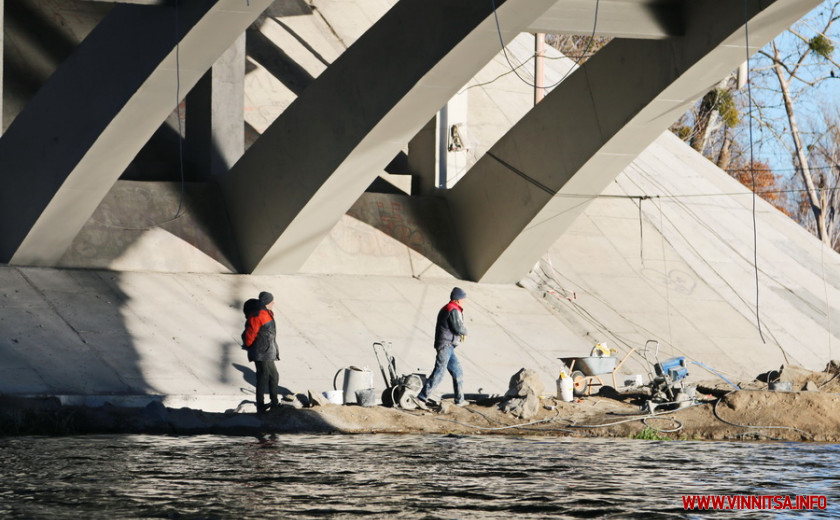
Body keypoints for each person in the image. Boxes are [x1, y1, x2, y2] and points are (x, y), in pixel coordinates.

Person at [414, 287, 469, 409]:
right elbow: (458, 328)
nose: (465, 301)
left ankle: (459, 400)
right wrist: (465, 331)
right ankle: (421, 398)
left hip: (448, 346)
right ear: (458, 299)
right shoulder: (453, 309)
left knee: (458, 372)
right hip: (446, 345)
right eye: (464, 299)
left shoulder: (448, 308)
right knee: (439, 372)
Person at [241, 291, 280, 413]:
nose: (273, 302)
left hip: (267, 351)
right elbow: (250, 333)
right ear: (267, 302)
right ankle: (260, 404)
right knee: (263, 376)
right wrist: (248, 345)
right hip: (261, 351)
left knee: (274, 375)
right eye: (272, 300)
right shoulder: (259, 315)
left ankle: (274, 403)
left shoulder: (267, 313)